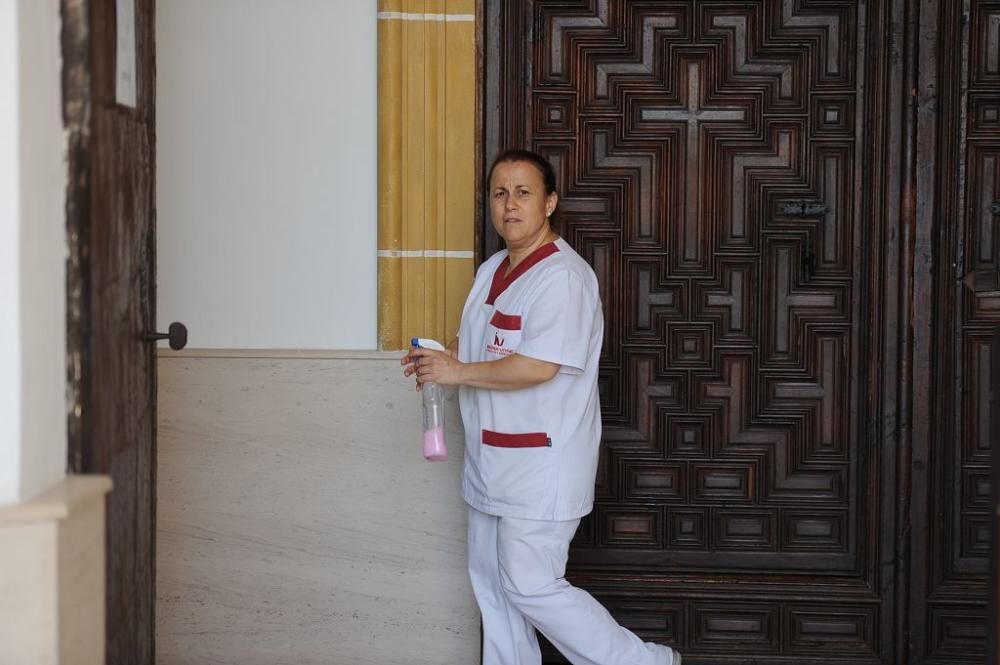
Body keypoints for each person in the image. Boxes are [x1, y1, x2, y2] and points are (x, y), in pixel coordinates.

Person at [401, 150, 682, 665]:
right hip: (491, 462)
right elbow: (480, 351)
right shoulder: (490, 271)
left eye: (524, 193)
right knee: (493, 586)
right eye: (500, 193)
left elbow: (538, 366)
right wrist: (439, 360)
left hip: (540, 464)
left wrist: (457, 372)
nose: (510, 205)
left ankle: (644, 663)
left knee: (530, 584)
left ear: (549, 202)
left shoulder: (563, 279)